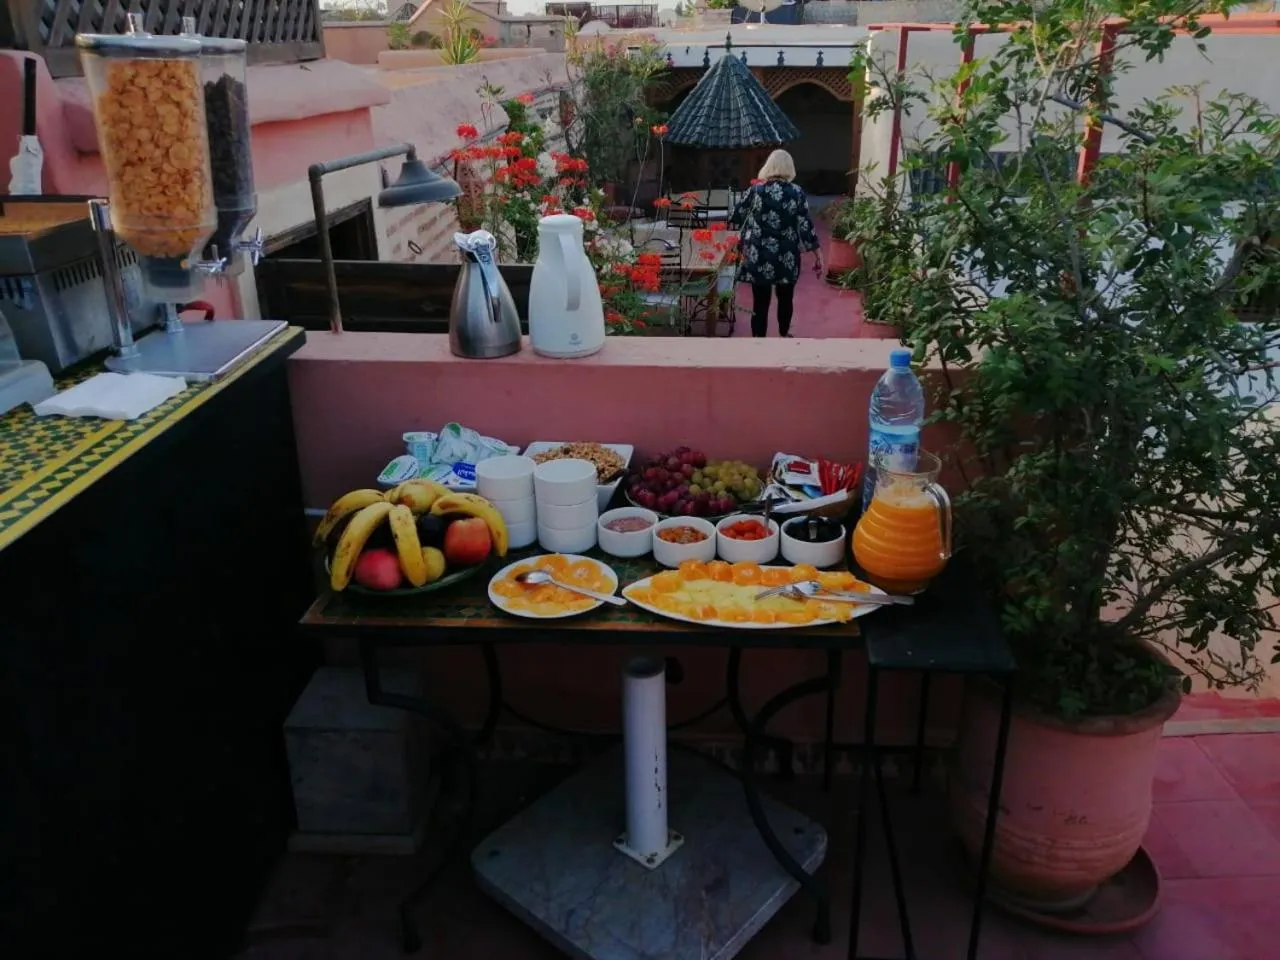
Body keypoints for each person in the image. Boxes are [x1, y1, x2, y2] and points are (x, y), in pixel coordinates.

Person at [730, 150, 824, 338]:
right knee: (785, 298)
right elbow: (805, 226)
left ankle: (758, 340)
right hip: (786, 254)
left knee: (760, 302)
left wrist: (753, 228)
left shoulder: (756, 190)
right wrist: (817, 254)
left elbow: (737, 215)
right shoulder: (796, 192)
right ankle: (783, 334)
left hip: (759, 253)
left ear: (768, 166)